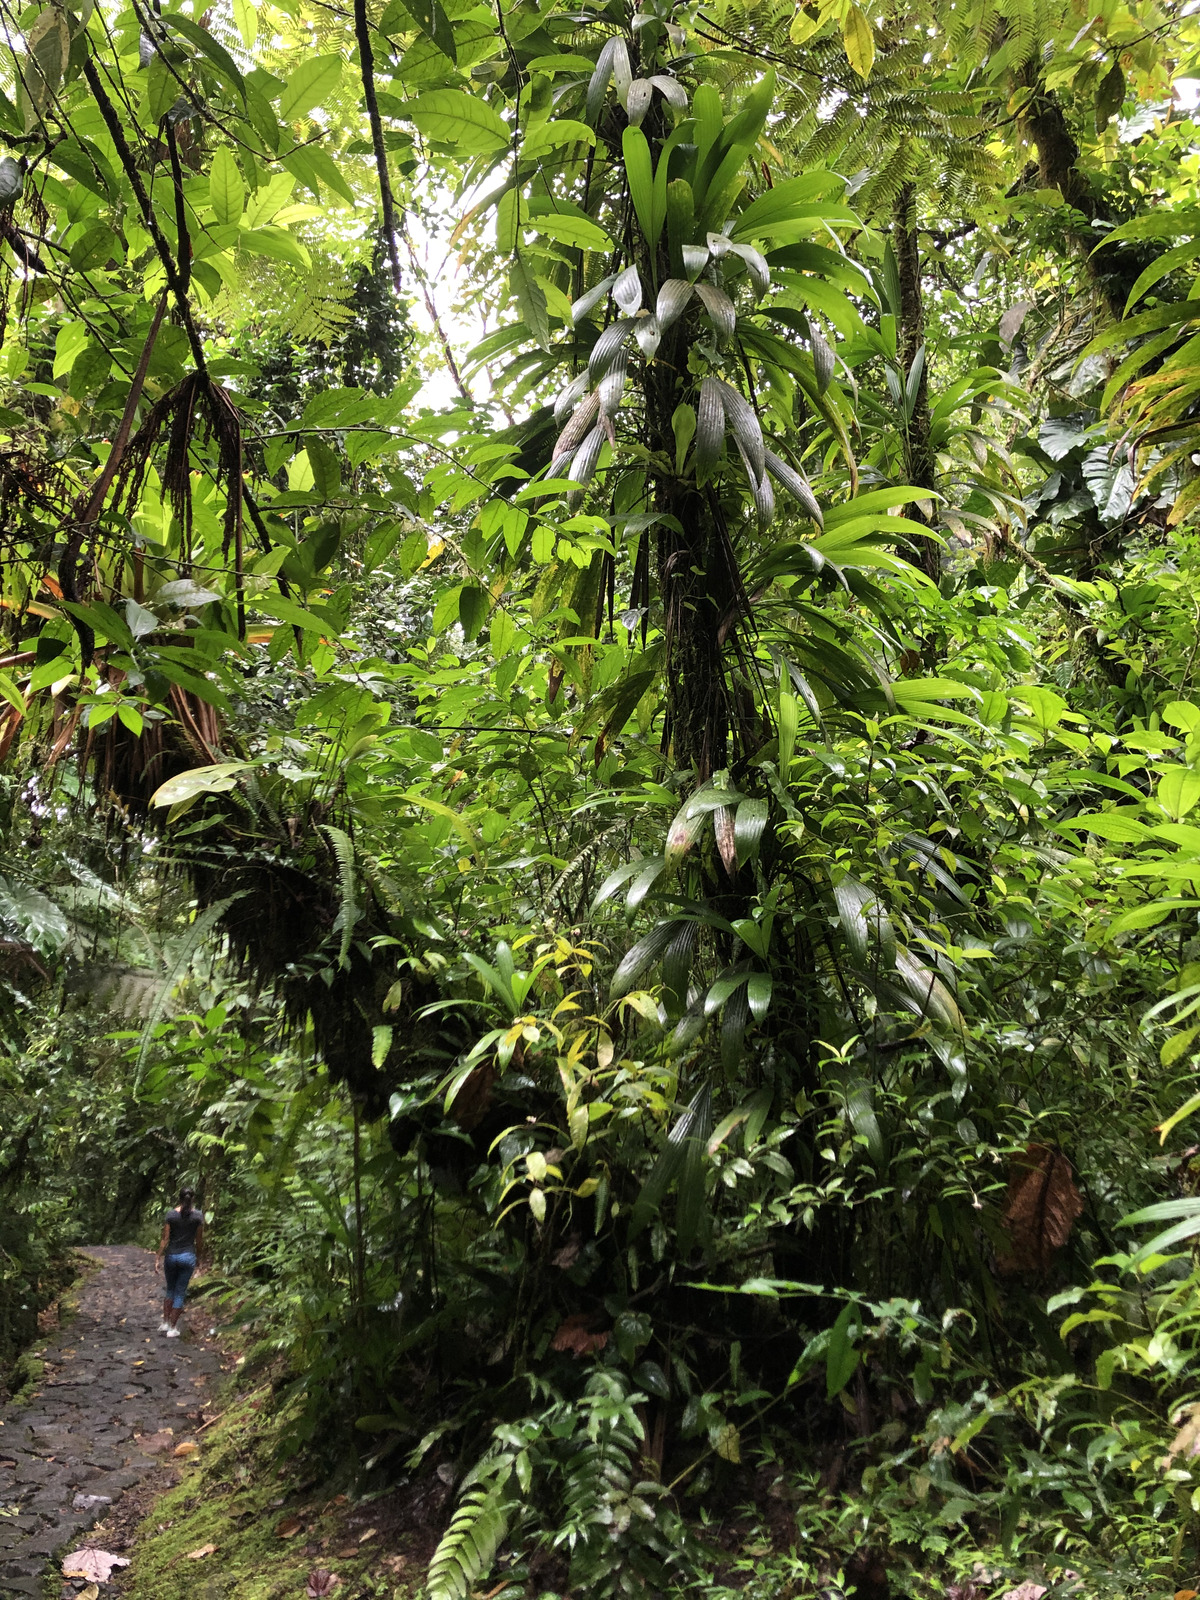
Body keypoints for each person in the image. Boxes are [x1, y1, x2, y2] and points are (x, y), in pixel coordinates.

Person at [154, 1187, 206, 1337]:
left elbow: (165, 1239)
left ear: (179, 1198)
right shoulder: (197, 1216)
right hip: (187, 1256)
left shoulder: (171, 1215)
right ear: (193, 1199)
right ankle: (173, 1327)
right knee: (180, 1291)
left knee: (170, 1289)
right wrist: (199, 1258)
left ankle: (164, 1323)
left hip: (171, 1256)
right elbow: (199, 1240)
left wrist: (158, 1258)